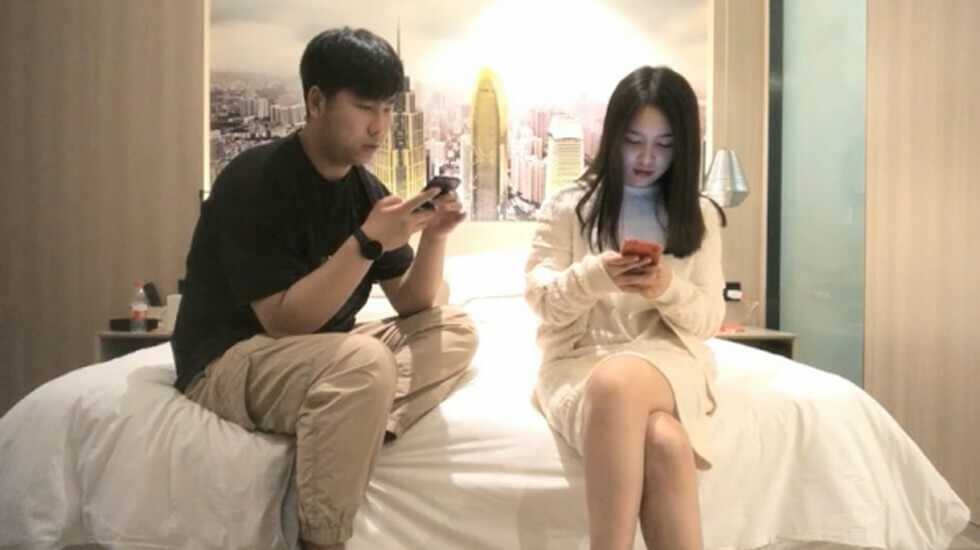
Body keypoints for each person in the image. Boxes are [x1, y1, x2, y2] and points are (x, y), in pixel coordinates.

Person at [171, 27, 478, 550]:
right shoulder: (256, 179)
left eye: (387, 109)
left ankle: (353, 414)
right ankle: (322, 540)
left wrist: (435, 237)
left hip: (324, 359)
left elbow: (415, 303)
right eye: (364, 107)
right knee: (363, 363)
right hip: (229, 358)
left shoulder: (364, 188)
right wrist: (367, 242)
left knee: (454, 329)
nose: (379, 127)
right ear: (315, 102)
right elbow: (284, 322)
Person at [524, 66, 725, 550]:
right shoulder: (567, 207)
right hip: (577, 360)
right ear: (612, 135)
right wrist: (598, 276)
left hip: (668, 359)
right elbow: (543, 303)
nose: (647, 158)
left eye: (665, 145)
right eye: (634, 141)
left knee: (618, 381)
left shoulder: (698, 214)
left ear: (684, 148)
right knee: (666, 442)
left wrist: (665, 287)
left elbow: (708, 321)